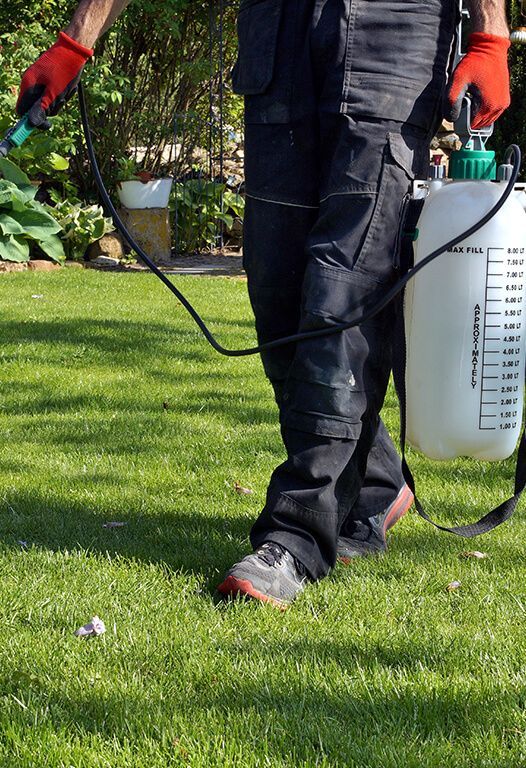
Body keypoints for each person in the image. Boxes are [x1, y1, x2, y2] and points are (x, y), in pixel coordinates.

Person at [15, 0, 511, 609]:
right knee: (276, 294)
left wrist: (491, 34)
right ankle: (377, 482)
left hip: (393, 36)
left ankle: (295, 534)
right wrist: (74, 44)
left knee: (341, 291)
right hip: (278, 38)